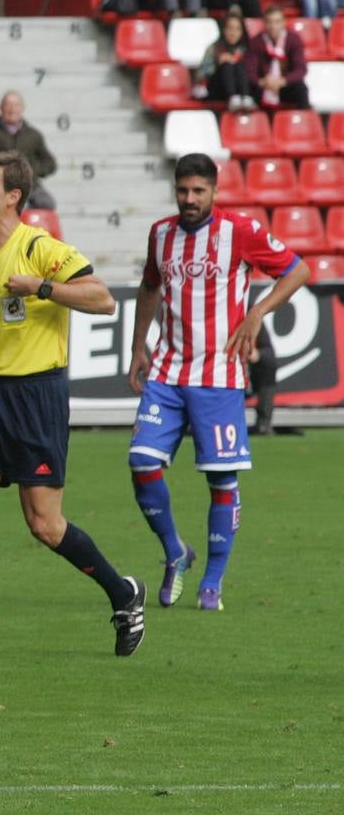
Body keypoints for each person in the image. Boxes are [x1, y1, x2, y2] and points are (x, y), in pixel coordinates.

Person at [0, 149, 146, 661]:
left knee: (44, 523)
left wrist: (42, 286)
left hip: (36, 396)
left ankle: (122, 591)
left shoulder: (39, 247)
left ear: (13, 196)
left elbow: (102, 298)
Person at [127, 153, 309, 611]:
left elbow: (298, 270)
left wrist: (257, 312)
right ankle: (175, 552)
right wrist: (137, 347)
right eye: (182, 190)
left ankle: (213, 579)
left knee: (221, 480)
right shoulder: (161, 234)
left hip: (219, 374)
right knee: (141, 464)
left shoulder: (239, 232)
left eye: (198, 191)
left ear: (214, 191)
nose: (189, 199)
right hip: (167, 370)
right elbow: (149, 287)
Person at [0, 91, 58, 210]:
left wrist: (33, 171)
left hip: (29, 186)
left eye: (16, 105)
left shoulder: (34, 135)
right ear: (1, 108)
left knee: (46, 203)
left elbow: (50, 163)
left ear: (22, 108)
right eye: (8, 105)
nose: (12, 109)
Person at [245, 5, 309, 110]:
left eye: (277, 22)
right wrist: (262, 82)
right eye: (269, 22)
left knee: (301, 88)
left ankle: (305, 122)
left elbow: (300, 69)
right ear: (264, 23)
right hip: (263, 85)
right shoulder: (256, 42)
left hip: (285, 86)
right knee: (248, 89)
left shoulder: (294, 40)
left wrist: (282, 81)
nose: (273, 26)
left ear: (284, 22)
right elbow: (249, 70)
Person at [194, 12, 254, 112]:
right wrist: (218, 63)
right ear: (224, 30)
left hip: (241, 88)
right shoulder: (213, 48)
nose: (233, 32)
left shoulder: (247, 50)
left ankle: (245, 97)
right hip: (217, 89)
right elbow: (199, 76)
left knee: (238, 65)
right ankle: (232, 98)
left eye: (237, 29)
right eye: (230, 28)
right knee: (227, 65)